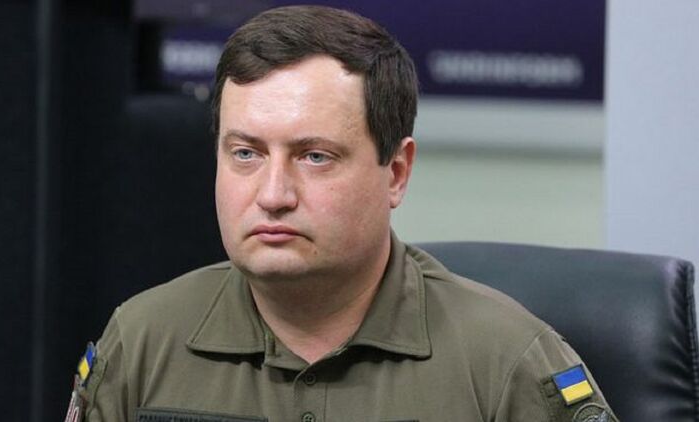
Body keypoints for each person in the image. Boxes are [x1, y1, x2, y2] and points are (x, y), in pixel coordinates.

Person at [65, 5, 618, 422]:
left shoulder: (506, 363)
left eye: (314, 157)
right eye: (246, 154)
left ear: (395, 172)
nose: (273, 194)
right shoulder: (142, 343)